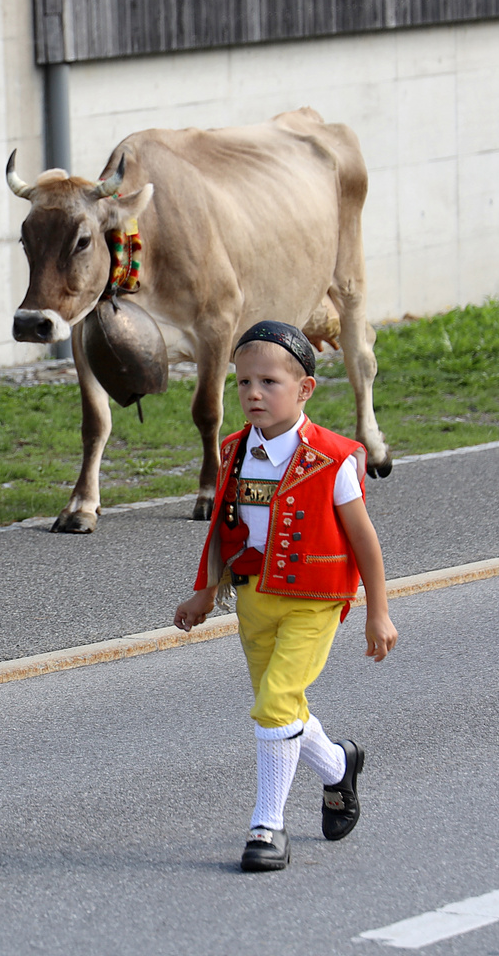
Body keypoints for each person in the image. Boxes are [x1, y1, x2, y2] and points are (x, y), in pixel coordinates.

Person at [174, 320, 397, 872]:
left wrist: (378, 611)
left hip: (315, 603)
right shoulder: (234, 452)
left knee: (273, 705)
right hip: (254, 599)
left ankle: (267, 827)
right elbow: (226, 531)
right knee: (284, 707)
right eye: (243, 381)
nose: (253, 393)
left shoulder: (333, 459)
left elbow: (365, 541)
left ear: (304, 390)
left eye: (269, 382)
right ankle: (337, 766)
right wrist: (206, 593)